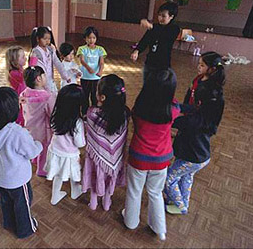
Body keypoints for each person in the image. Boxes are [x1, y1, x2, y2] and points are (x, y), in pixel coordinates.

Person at [164, 52, 225, 215]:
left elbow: (202, 119)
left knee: (168, 178)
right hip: (192, 147)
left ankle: (181, 206)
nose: (198, 67)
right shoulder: (198, 82)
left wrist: (174, 121)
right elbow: (193, 108)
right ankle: (181, 203)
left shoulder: (213, 94)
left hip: (195, 151)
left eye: (202, 65)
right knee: (186, 177)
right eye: (199, 63)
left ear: (212, 70)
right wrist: (179, 109)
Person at [122, 69, 179, 241]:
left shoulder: (139, 108)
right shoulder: (173, 109)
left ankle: (130, 221)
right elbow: (175, 107)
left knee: (134, 190)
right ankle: (160, 229)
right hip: (162, 159)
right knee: (155, 192)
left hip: (139, 157)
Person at [0, 87, 42, 239]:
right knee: (23, 203)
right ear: (13, 111)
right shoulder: (17, 133)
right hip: (17, 179)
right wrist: (39, 144)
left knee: (6, 201)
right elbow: (31, 152)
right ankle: (26, 229)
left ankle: (8, 222)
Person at [82, 74, 129, 211]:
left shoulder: (92, 113)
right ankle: (107, 200)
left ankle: (93, 201)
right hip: (116, 158)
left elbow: (90, 134)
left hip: (96, 157)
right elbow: (119, 139)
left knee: (96, 175)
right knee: (110, 176)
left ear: (102, 97)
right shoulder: (125, 114)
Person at [45, 84, 85, 205]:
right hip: (70, 155)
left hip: (55, 151)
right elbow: (80, 143)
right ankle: (75, 191)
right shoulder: (77, 122)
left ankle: (55, 195)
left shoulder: (56, 114)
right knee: (74, 172)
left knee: (57, 175)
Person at [130, 2, 180, 83]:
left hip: (163, 66)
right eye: (159, 15)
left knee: (158, 87)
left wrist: (151, 27)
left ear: (171, 16)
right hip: (150, 63)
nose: (160, 18)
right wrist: (137, 51)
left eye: (163, 16)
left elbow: (165, 36)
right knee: (147, 86)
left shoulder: (174, 29)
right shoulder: (155, 27)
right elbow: (145, 40)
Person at [20, 66, 56, 177]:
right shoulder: (47, 97)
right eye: (44, 75)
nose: (46, 77)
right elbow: (52, 113)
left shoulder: (24, 93)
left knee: (34, 143)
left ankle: (34, 159)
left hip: (29, 126)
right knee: (44, 148)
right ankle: (42, 169)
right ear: (38, 79)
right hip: (43, 130)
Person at [29, 26, 70, 93]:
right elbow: (32, 68)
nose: (47, 41)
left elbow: (57, 63)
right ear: (38, 39)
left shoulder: (50, 50)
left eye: (49, 39)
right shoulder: (35, 52)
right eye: (45, 39)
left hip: (50, 81)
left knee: (53, 98)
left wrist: (65, 76)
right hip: (40, 83)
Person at [77, 26, 107, 116]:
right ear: (85, 38)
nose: (91, 40)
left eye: (94, 38)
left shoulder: (100, 49)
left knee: (95, 96)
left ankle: (94, 113)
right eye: (89, 38)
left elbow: (101, 62)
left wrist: (100, 71)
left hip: (95, 78)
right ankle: (85, 113)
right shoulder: (82, 49)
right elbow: (82, 60)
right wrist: (88, 68)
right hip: (85, 76)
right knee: (85, 96)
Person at [6, 46, 27, 126]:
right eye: (22, 57)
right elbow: (27, 76)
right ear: (14, 61)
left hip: (23, 97)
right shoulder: (14, 73)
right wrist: (33, 63)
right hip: (19, 99)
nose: (25, 58)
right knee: (21, 116)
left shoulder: (21, 69)